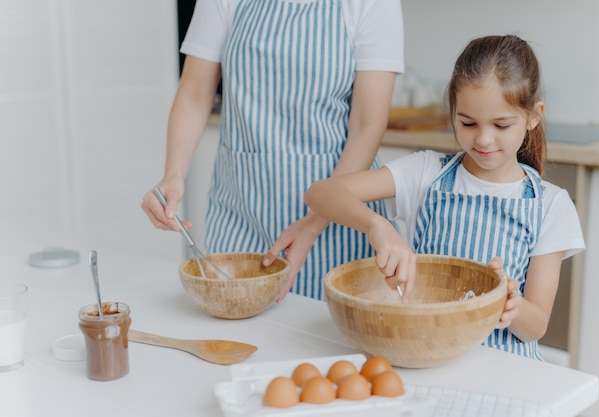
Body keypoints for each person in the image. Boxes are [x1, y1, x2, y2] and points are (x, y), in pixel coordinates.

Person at [304, 34, 585, 359]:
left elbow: (536, 326)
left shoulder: (550, 205)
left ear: (534, 116)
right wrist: (376, 225)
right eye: (467, 122)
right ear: (452, 110)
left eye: (501, 125)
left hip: (504, 371)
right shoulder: (425, 172)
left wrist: (513, 306)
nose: (483, 138)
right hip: (426, 357)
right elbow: (320, 192)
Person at [141, 0, 404, 301]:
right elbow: (194, 94)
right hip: (240, 211)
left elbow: (367, 125)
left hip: (337, 215)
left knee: (330, 335)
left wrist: (316, 219)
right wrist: (173, 175)